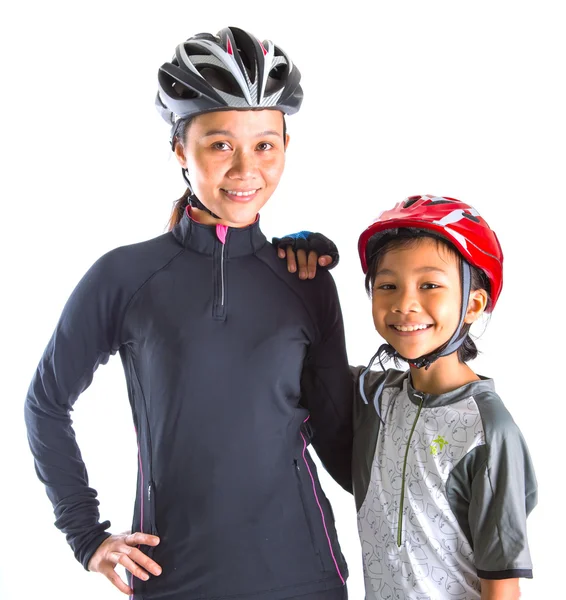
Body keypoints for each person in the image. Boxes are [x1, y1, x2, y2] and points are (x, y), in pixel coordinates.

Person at [24, 26, 352, 600]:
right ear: (180, 148)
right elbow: (46, 403)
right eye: (221, 144)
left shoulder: (307, 281)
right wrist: (86, 534)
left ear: (286, 148)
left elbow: (340, 438)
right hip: (174, 579)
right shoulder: (125, 277)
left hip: (306, 576)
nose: (246, 167)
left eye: (265, 145)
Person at [350, 195, 537, 599]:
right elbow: (305, 354)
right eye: (387, 285)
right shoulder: (374, 397)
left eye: (429, 285)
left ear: (473, 303)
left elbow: (502, 587)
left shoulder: (487, 430)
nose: (404, 303)